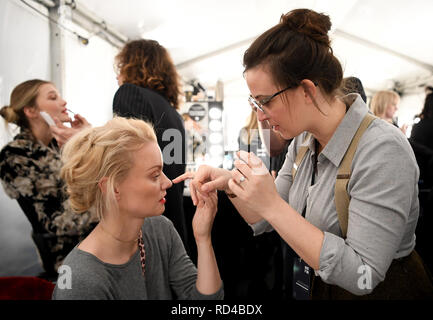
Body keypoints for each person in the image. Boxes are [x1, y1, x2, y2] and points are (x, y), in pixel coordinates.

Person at [174, 9, 433, 299]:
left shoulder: (382, 150)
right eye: (255, 103)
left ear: (307, 90)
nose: (260, 117)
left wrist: (271, 204)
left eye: (265, 102)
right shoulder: (302, 142)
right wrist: (229, 182)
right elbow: (262, 219)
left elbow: (364, 276)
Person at [52, 117, 223, 300]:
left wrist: (203, 238)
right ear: (113, 188)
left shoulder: (160, 230)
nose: (167, 182)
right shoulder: (80, 280)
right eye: (155, 175)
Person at [0, 79, 95, 277]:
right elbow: (54, 221)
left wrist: (88, 141)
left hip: (99, 248)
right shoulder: (15, 156)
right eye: (53, 97)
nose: (63, 102)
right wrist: (111, 209)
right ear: (31, 111)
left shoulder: (63, 146)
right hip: (68, 262)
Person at [112, 39, 189, 253]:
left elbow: (127, 156)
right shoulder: (173, 112)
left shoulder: (130, 94)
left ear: (131, 66)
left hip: (147, 222)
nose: (117, 76)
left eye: (120, 68)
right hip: (172, 218)